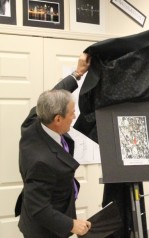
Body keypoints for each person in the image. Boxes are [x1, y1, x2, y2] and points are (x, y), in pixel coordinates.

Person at [14, 53, 92, 238]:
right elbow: (38, 209)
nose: (74, 117)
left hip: (55, 204)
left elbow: (53, 95)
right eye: (72, 113)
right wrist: (71, 225)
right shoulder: (41, 161)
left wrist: (77, 74)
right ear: (58, 119)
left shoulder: (34, 121)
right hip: (45, 230)